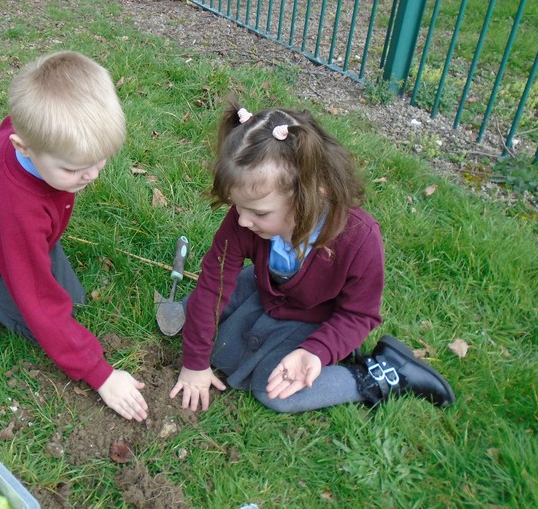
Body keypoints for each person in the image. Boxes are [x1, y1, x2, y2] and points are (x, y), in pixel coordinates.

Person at [169, 102, 455, 413]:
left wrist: (315, 352)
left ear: (309, 196)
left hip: (317, 318)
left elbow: (359, 315)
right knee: (192, 317)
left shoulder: (359, 239)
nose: (241, 221)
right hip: (267, 292)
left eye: (258, 213)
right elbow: (214, 285)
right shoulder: (245, 220)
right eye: (238, 207)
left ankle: (379, 374)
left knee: (274, 390)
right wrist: (195, 364)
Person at [0, 51, 148, 422]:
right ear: (24, 147)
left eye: (99, 160)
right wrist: (101, 374)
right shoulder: (16, 210)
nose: (92, 175)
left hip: (33, 238)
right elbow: (39, 301)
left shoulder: (25, 134)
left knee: (73, 306)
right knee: (41, 323)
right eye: (76, 168)